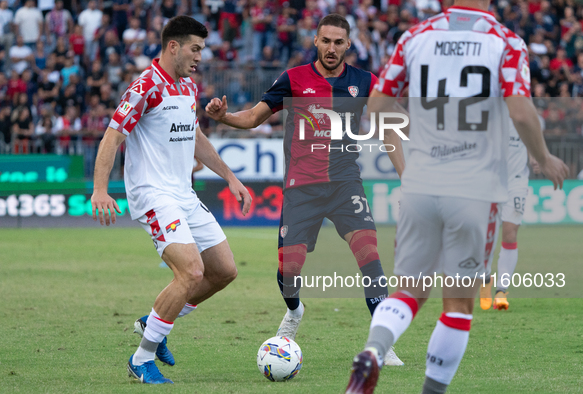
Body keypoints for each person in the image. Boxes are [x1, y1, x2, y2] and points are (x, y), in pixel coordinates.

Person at [345, 1, 569, 393]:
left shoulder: (415, 36)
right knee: (459, 304)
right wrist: (543, 157)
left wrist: (423, 129)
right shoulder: (506, 41)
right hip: (474, 187)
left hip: (420, 180)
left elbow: (378, 105)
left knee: (409, 291)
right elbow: (520, 111)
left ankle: (373, 350)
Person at [206, 14, 406, 366]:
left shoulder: (365, 82)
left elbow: (389, 129)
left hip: (346, 184)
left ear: (348, 45)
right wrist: (223, 117)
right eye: (325, 41)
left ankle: (382, 343)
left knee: (369, 254)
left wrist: (408, 177)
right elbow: (253, 117)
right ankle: (295, 312)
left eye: (338, 42)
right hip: (302, 188)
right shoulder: (294, 79)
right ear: (315, 40)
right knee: (289, 268)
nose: (331, 48)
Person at [90, 16, 252, 384]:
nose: (200, 56)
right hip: (154, 195)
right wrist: (100, 189)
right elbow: (112, 137)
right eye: (195, 49)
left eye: (202, 49)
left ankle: (154, 321)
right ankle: (141, 358)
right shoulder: (145, 86)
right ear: (173, 46)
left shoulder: (188, 88)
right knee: (191, 272)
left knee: (224, 271)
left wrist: (229, 176)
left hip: (184, 194)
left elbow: (195, 137)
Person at [479, 123, 540, 310]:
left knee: (510, 233)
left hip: (516, 182)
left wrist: (536, 157)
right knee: (483, 235)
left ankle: (501, 291)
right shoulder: (488, 108)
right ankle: (485, 278)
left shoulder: (524, 112)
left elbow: (532, 139)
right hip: (489, 181)